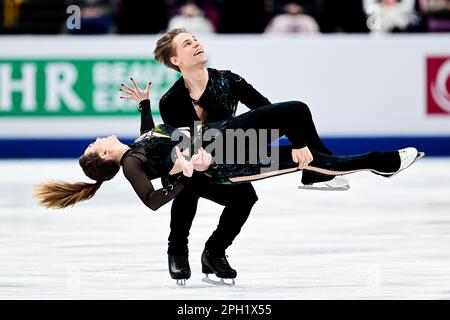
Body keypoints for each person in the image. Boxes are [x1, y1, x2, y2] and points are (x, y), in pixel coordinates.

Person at [34, 80, 424, 284]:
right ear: (103, 156)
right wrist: (183, 178)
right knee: (308, 158)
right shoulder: (133, 161)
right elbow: (152, 200)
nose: (96, 139)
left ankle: (213, 252)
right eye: (94, 145)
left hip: (223, 144)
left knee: (291, 146)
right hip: (228, 163)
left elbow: (153, 137)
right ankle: (381, 162)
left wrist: (144, 106)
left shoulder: (137, 146)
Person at [152, 28, 347, 285]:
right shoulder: (171, 101)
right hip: (192, 161)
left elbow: (268, 111)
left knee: (245, 198)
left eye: (196, 39)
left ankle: (214, 251)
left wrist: (298, 142)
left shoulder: (228, 80)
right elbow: (190, 147)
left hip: (231, 151)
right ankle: (176, 250)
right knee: (189, 186)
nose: (196, 44)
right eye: (187, 43)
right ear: (175, 60)